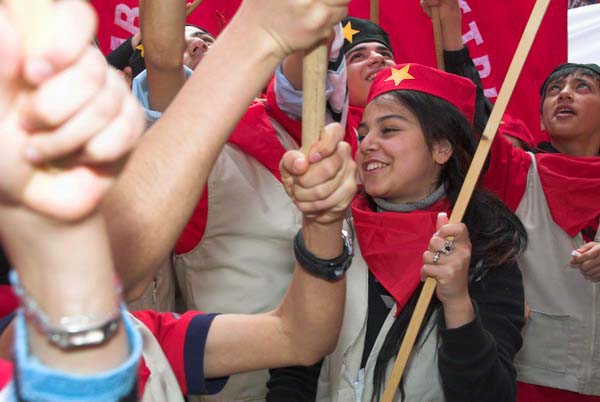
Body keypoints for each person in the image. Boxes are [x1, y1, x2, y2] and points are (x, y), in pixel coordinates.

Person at [0, 0, 356, 400]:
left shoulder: (143, 337)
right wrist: (258, 35)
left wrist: (324, 223)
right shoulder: (23, 353)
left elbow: (301, 335)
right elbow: (113, 264)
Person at [268, 63, 527, 402]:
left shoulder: (486, 251)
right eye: (362, 135)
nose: (367, 145)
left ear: (441, 149)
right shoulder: (332, 233)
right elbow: (294, 367)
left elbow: (491, 394)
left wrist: (457, 301)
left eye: (389, 130)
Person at [478, 62, 600, 402]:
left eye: (583, 86)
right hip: (532, 380)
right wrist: (453, 36)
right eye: (554, 89)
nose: (564, 92)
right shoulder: (518, 172)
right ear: (543, 121)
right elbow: (476, 123)